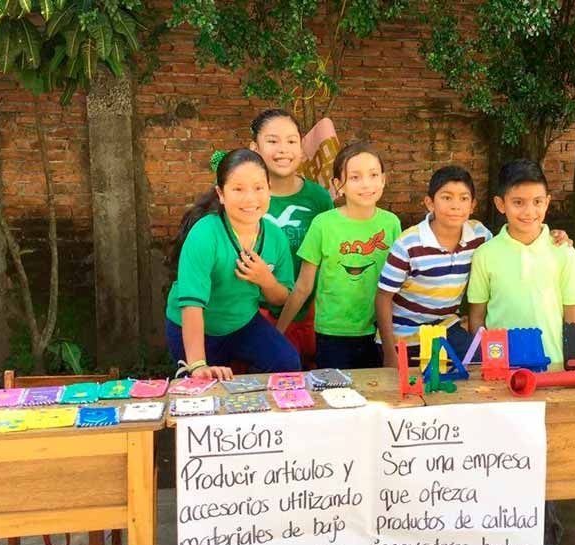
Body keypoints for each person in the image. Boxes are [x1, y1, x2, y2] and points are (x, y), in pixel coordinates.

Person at [467, 158, 575, 545]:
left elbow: (572, 316)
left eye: (537, 202)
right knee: (502, 455)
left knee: (544, 458)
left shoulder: (562, 252)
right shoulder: (486, 254)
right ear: (500, 204)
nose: (528, 211)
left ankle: (547, 541)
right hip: (501, 373)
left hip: (551, 370)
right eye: (518, 202)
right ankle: (501, 537)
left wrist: (573, 367)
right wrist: (481, 364)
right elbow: (477, 317)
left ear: (549, 202)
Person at [377, 165, 575, 368]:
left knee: (482, 366)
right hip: (404, 336)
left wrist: (552, 235)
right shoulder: (408, 244)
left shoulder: (480, 236)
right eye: (447, 198)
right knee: (412, 388)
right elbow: (383, 297)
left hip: (446, 329)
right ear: (429, 203)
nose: (456, 206)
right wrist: (389, 351)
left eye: (463, 198)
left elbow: (511, 241)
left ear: (472, 206)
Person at [165, 149, 301, 379]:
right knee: (203, 395)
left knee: (287, 363)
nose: (250, 198)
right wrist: (197, 366)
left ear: (269, 189)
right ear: (221, 193)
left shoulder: (275, 237)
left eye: (258, 188)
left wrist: (265, 280)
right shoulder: (205, 234)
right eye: (238, 189)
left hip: (243, 324)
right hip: (194, 328)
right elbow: (191, 305)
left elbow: (282, 297)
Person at [277, 141, 401, 369]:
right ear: (338, 185)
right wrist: (277, 333)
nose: (366, 184)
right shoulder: (323, 225)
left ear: (384, 179)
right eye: (355, 177)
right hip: (333, 333)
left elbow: (398, 283)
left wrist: (392, 343)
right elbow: (303, 286)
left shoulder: (391, 224)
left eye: (373, 175)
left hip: (379, 331)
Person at [249, 109, 334, 365]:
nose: (283, 149)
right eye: (273, 141)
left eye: (291, 141)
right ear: (255, 148)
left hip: (311, 317)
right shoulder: (245, 198)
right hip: (255, 315)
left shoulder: (319, 198)